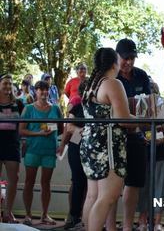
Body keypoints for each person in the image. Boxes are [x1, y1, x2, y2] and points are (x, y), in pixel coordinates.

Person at [80, 47, 143, 231]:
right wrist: (144, 122)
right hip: (107, 146)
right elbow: (123, 119)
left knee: (93, 196)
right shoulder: (112, 83)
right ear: (114, 63)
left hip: (91, 144)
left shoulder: (91, 85)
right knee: (108, 196)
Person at [115, 38, 152, 231]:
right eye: (125, 58)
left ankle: (128, 226)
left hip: (137, 138)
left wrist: (149, 124)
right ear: (117, 57)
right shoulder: (110, 78)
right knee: (112, 185)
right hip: (115, 139)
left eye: (132, 58)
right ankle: (109, 224)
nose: (129, 62)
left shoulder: (141, 76)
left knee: (134, 182)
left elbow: (149, 105)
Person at [135, 82, 164, 231]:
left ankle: (158, 222)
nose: (151, 97)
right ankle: (142, 222)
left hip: (162, 154)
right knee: (142, 188)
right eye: (148, 94)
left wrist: (161, 140)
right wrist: (142, 138)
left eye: (154, 93)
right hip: (142, 153)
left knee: (160, 188)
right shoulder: (136, 110)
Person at [19, 80, 63, 226]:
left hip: (50, 150)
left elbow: (61, 129)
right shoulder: (28, 108)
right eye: (41, 89)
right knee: (29, 182)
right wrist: (38, 133)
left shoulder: (56, 108)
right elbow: (21, 130)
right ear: (35, 91)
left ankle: (44, 215)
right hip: (32, 149)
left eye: (46, 89)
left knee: (46, 183)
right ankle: (28, 215)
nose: (44, 92)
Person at [56, 77, 89, 230]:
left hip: (94, 151)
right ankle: (74, 216)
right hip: (76, 148)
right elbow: (69, 128)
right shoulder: (76, 108)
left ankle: (89, 218)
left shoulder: (100, 109)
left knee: (93, 185)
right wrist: (63, 144)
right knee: (78, 182)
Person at [0, 74, 25, 223]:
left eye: (10, 84)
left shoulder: (19, 104)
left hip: (12, 144)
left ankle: (8, 213)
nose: (8, 86)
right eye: (5, 83)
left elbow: (28, 119)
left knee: (13, 178)